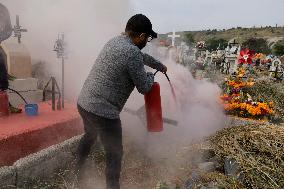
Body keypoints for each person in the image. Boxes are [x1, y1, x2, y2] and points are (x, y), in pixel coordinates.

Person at [76, 14, 167, 189]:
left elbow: (140, 57)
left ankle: (77, 173)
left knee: (90, 135)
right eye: (147, 38)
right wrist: (150, 75)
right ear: (141, 36)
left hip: (84, 103)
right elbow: (144, 87)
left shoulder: (116, 41)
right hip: (104, 112)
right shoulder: (132, 52)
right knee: (114, 154)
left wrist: (158, 65)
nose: (146, 41)